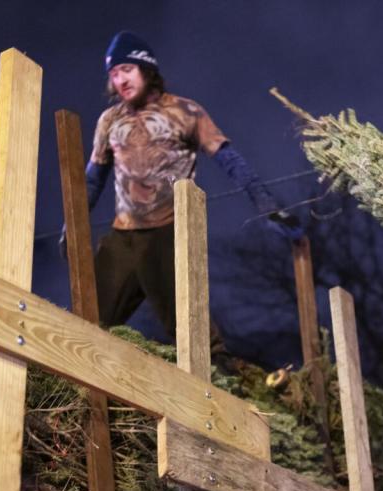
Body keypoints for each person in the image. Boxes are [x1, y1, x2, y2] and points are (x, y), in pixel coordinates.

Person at [61, 31, 301, 367]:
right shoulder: (110, 121)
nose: (120, 80)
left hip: (169, 230)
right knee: (85, 316)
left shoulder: (186, 112)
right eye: (114, 74)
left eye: (127, 69)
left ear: (147, 68)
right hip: (125, 233)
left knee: (188, 325)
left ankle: (221, 374)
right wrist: (71, 223)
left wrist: (267, 205)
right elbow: (93, 176)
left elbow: (229, 159)